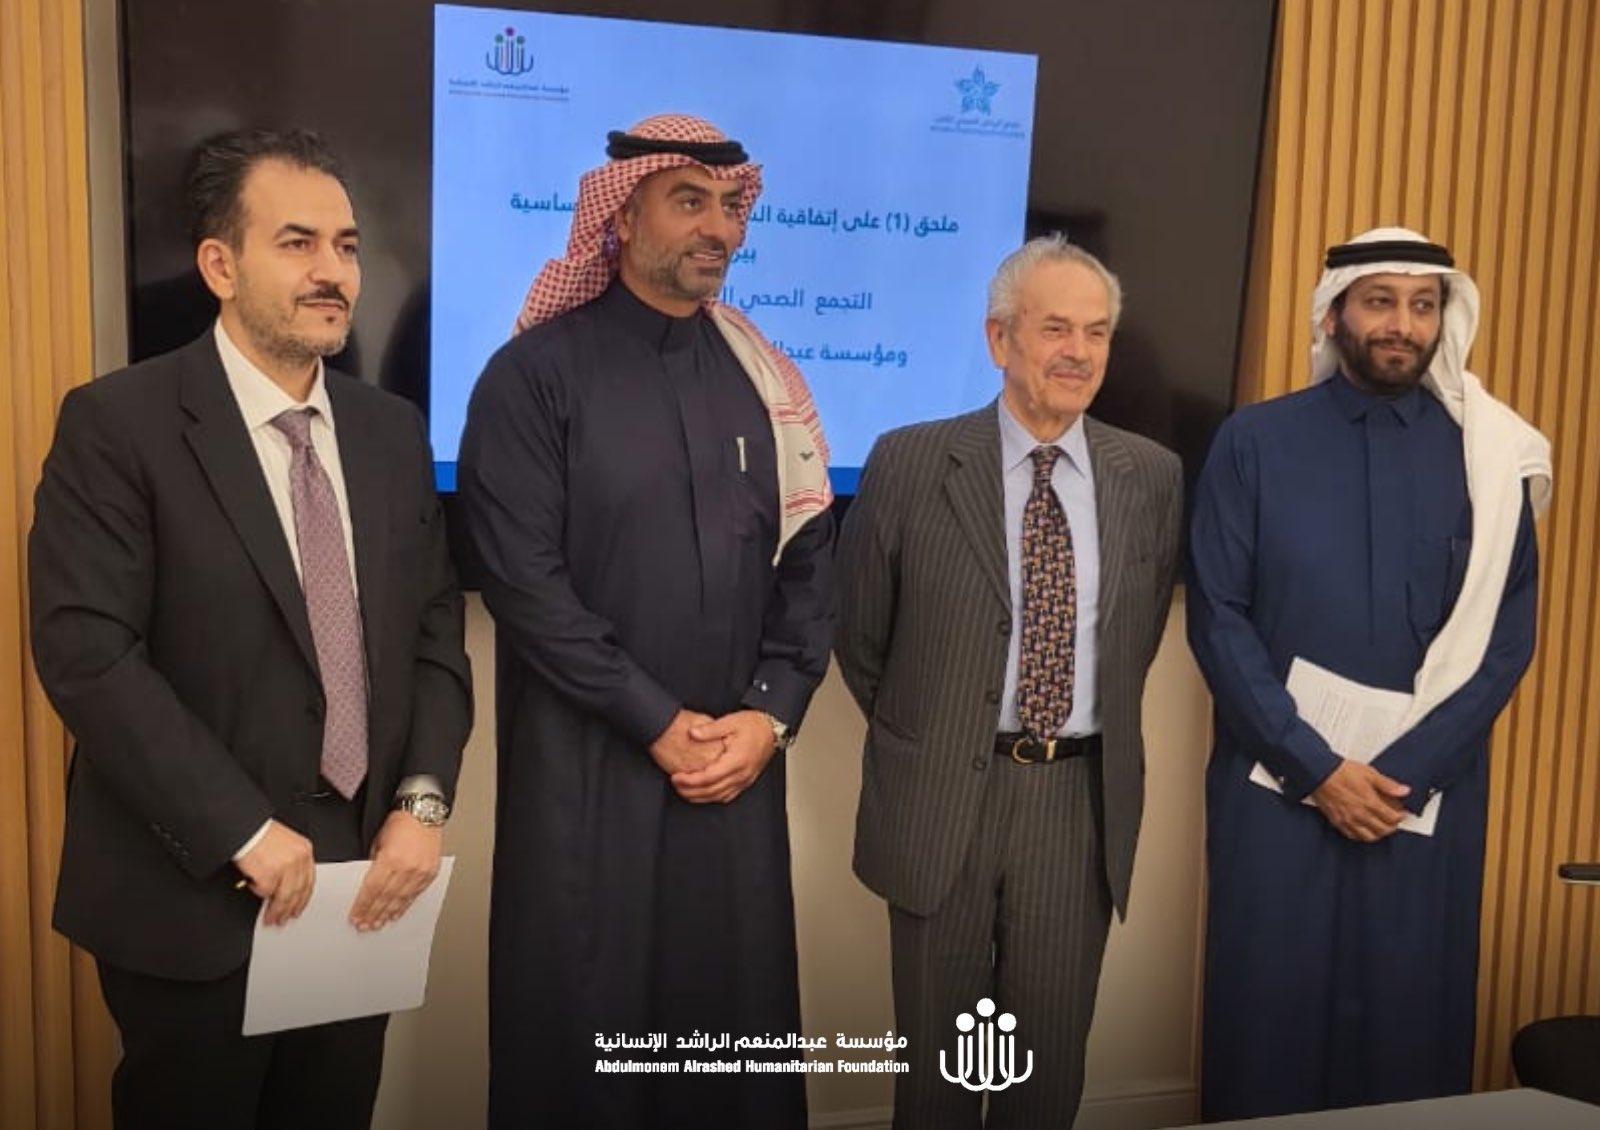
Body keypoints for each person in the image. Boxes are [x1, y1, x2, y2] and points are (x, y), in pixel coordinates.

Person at [28, 128, 473, 1130]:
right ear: (220, 266)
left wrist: (422, 800)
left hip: (361, 891)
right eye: (297, 242)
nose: (332, 272)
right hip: (192, 894)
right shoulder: (118, 423)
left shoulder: (390, 432)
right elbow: (88, 654)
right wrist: (241, 829)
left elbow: (434, 630)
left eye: (346, 246)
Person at [458, 114, 834, 1130]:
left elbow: (810, 565)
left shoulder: (764, 379)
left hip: (734, 776)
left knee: (730, 1052)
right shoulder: (532, 377)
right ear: (620, 218)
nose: (719, 228)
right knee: (584, 1048)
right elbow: (523, 582)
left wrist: (769, 716)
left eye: (732, 207)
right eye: (689, 202)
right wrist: (656, 720)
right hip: (587, 779)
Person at [1188, 227, 1552, 1118]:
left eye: (1423, 306)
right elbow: (1219, 616)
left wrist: (1400, 777)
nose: (1402, 324)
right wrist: (1316, 770)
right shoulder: (1254, 442)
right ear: (1334, 314)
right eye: (1380, 302)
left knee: (1406, 1033)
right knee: (1266, 1025)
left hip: (1420, 803)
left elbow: (1505, 642)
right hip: (1275, 796)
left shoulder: (1491, 461)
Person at [836, 234, 1183, 1129]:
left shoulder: (1150, 476)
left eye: (1097, 333)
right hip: (943, 798)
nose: (1079, 352)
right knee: (938, 1083)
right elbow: (861, 636)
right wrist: (943, 729)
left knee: (1046, 1075)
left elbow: (1134, 640)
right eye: (1056, 328)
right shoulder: (910, 462)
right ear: (999, 339)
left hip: (1076, 805)